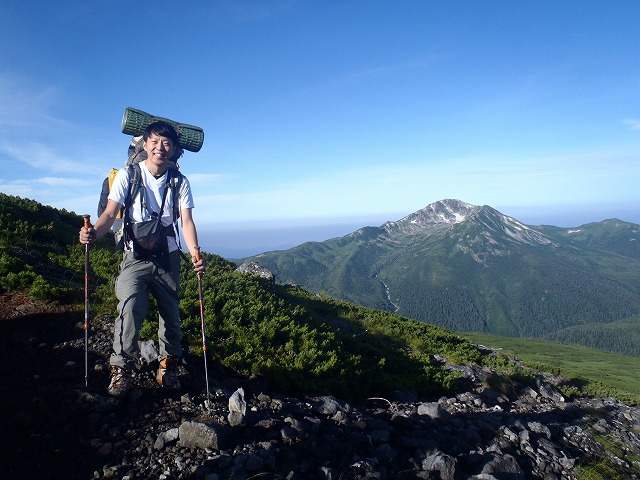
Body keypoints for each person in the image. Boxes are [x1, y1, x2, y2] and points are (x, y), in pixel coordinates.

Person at [79, 121, 205, 397]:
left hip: (168, 256)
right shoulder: (129, 175)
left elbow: (187, 222)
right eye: (155, 142)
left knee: (171, 315)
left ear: (173, 149)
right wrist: (93, 234)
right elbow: (111, 213)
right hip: (134, 255)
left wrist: (195, 251)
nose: (160, 148)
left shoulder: (179, 181)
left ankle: (167, 365)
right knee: (130, 307)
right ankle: (121, 368)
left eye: (167, 143)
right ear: (145, 144)